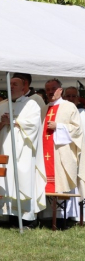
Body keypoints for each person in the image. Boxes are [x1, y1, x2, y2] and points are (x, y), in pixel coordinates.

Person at [0, 75, 46, 226]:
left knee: (22, 181)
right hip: (4, 149)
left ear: (23, 87)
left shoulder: (31, 105)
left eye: (15, 84)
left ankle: (26, 219)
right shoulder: (1, 106)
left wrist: (14, 121)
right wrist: (1, 123)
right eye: (10, 84)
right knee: (5, 180)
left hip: (23, 151)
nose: (12, 86)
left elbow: (34, 126)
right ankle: (5, 217)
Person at [38, 79, 85, 221]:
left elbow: (77, 130)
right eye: (48, 89)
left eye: (53, 88)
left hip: (62, 153)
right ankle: (46, 216)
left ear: (60, 90)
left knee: (62, 181)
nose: (50, 92)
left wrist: (59, 126)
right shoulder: (44, 109)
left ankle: (64, 217)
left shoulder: (69, 107)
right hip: (45, 152)